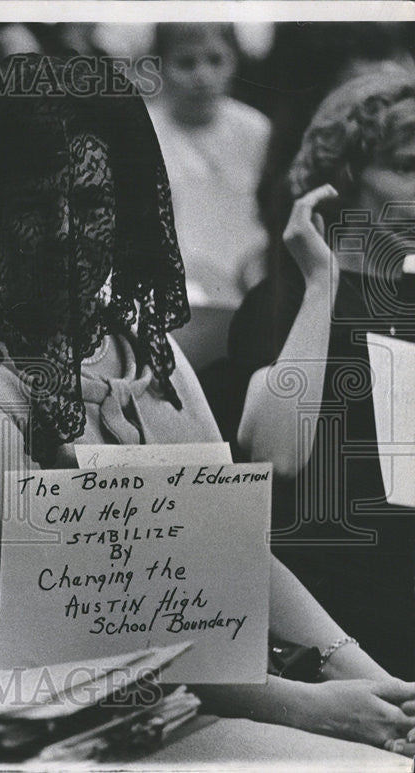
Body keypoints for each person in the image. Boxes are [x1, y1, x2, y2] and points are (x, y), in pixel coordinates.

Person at [0, 55, 415, 753]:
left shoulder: (143, 353)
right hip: (84, 730)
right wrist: (306, 706)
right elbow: (80, 626)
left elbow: (232, 552)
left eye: (90, 205)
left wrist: (367, 674)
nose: (64, 233)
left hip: (213, 697)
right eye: (29, 207)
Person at [231, 71, 415, 682]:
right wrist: (322, 285)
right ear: (345, 178)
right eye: (407, 165)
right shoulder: (285, 297)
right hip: (340, 621)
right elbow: (278, 455)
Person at [147, 23, 270, 309]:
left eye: (215, 60)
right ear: (160, 67)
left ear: (234, 61)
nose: (202, 76)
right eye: (186, 63)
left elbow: (267, 218)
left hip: (247, 282)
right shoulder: (140, 133)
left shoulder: (255, 130)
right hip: (174, 290)